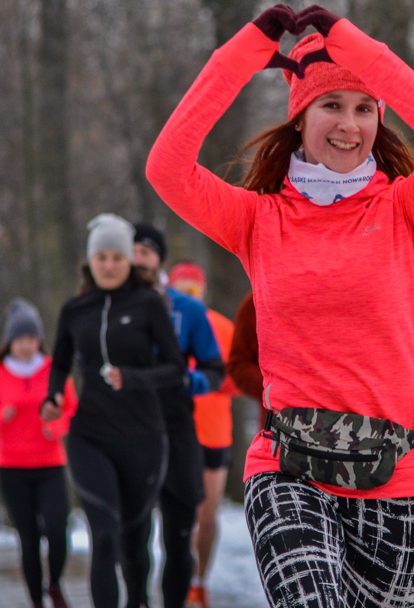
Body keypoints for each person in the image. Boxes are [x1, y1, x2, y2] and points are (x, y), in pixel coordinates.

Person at [146, 4, 414, 607]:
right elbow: (167, 168)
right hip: (288, 471)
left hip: (400, 479)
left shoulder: (410, 210)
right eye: (331, 105)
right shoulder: (258, 219)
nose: (349, 124)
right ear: (299, 118)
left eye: (363, 107)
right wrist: (242, 55)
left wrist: (363, 53)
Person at [40, 213, 187, 608]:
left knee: (135, 541)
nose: (108, 265)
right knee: (103, 535)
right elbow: (59, 363)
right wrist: (52, 397)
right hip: (90, 436)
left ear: (129, 262)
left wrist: (133, 378)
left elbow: (175, 368)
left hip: (143, 436)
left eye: (116, 258)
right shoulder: (74, 310)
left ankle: (138, 600)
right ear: (89, 261)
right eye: (101, 257)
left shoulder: (148, 305)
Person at [130, 224, 226, 608]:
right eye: (131, 251)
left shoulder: (187, 311)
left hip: (180, 427)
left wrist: (191, 381)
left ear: (159, 259)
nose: (138, 259)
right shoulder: (108, 307)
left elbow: (217, 369)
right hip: (128, 429)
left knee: (180, 531)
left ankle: (182, 595)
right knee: (132, 535)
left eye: (146, 252)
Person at [0, 298, 79, 608]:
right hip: (12, 468)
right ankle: (36, 601)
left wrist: (56, 427)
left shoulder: (53, 369)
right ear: (10, 341)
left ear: (39, 340)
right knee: (29, 539)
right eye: (20, 339)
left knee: (58, 531)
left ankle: (55, 584)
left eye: (32, 339)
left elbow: (72, 408)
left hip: (50, 465)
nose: (26, 345)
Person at [166, 261, 236, 608]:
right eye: (181, 288)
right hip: (175, 433)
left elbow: (243, 377)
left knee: (206, 517)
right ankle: (175, 577)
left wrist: (212, 380)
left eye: (194, 288)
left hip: (214, 433)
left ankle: (199, 580)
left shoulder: (222, 328)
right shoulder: (164, 324)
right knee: (179, 514)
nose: (188, 294)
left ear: (204, 290)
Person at [225, 290, 265, 430]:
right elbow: (237, 365)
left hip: (335, 426)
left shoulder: (334, 293)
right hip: (280, 431)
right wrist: (272, 385)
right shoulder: (257, 300)